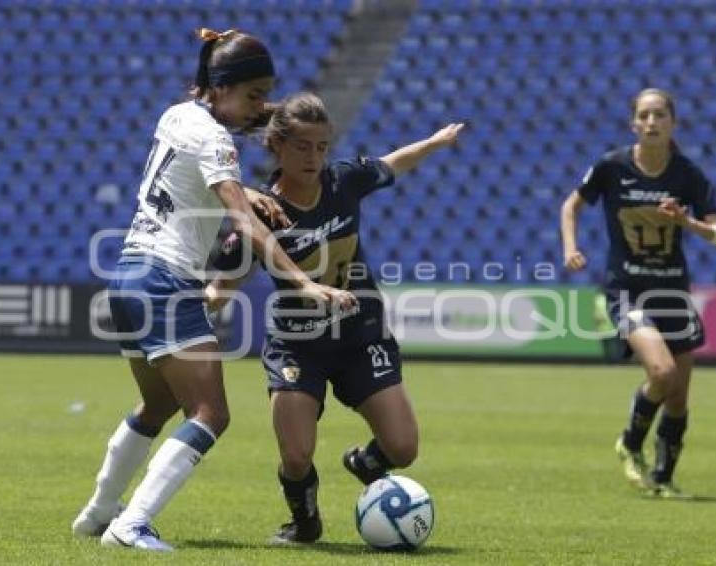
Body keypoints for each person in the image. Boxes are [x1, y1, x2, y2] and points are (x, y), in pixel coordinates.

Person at [71, 30, 356, 552]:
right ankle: (131, 524)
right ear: (220, 87)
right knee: (210, 414)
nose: (258, 106)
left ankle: (98, 510)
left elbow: (190, 174)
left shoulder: (177, 114)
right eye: (252, 94)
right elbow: (245, 224)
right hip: (165, 280)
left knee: (155, 406)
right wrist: (302, 279)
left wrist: (245, 181)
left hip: (127, 274)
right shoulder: (216, 139)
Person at [206, 92, 463, 543]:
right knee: (297, 455)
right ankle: (304, 522)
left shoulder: (345, 180)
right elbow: (221, 289)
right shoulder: (259, 216)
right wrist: (183, 307)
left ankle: (365, 463)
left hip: (360, 336)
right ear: (277, 147)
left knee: (403, 448)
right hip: (297, 344)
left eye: (322, 146)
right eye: (303, 146)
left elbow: (394, 162)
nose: (314, 157)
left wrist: (435, 142)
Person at [560, 88, 716, 497]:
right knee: (662, 372)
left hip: (673, 291)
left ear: (673, 122)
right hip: (627, 288)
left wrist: (688, 223)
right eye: (645, 115)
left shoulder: (687, 174)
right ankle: (630, 443)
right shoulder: (612, 166)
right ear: (634, 123)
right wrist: (570, 247)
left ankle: (663, 478)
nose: (652, 122)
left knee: (678, 397)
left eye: (660, 115)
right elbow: (571, 206)